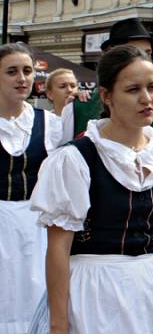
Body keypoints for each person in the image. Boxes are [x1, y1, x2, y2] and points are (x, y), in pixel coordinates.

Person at [28, 44, 153, 334]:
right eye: (133, 90)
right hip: (93, 291)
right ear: (106, 96)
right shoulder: (76, 159)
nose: (147, 99)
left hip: (152, 289)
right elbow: (58, 247)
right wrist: (58, 323)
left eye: (152, 87)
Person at [60, 17, 153, 182]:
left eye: (148, 53)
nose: (141, 59)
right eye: (134, 51)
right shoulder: (78, 108)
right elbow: (61, 169)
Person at [0, 43, 63, 334]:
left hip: (33, 226)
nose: (22, 79)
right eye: (11, 72)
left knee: (33, 288)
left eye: (27, 71)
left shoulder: (49, 124)